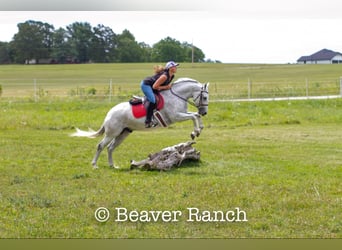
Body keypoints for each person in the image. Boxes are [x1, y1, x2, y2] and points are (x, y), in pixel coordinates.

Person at [140, 61, 179, 128]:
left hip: (153, 86)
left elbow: (160, 87)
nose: (176, 68)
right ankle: (148, 121)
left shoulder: (172, 76)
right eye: (174, 66)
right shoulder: (164, 76)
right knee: (153, 100)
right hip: (146, 85)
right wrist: (166, 87)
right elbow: (155, 87)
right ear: (170, 68)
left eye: (175, 66)